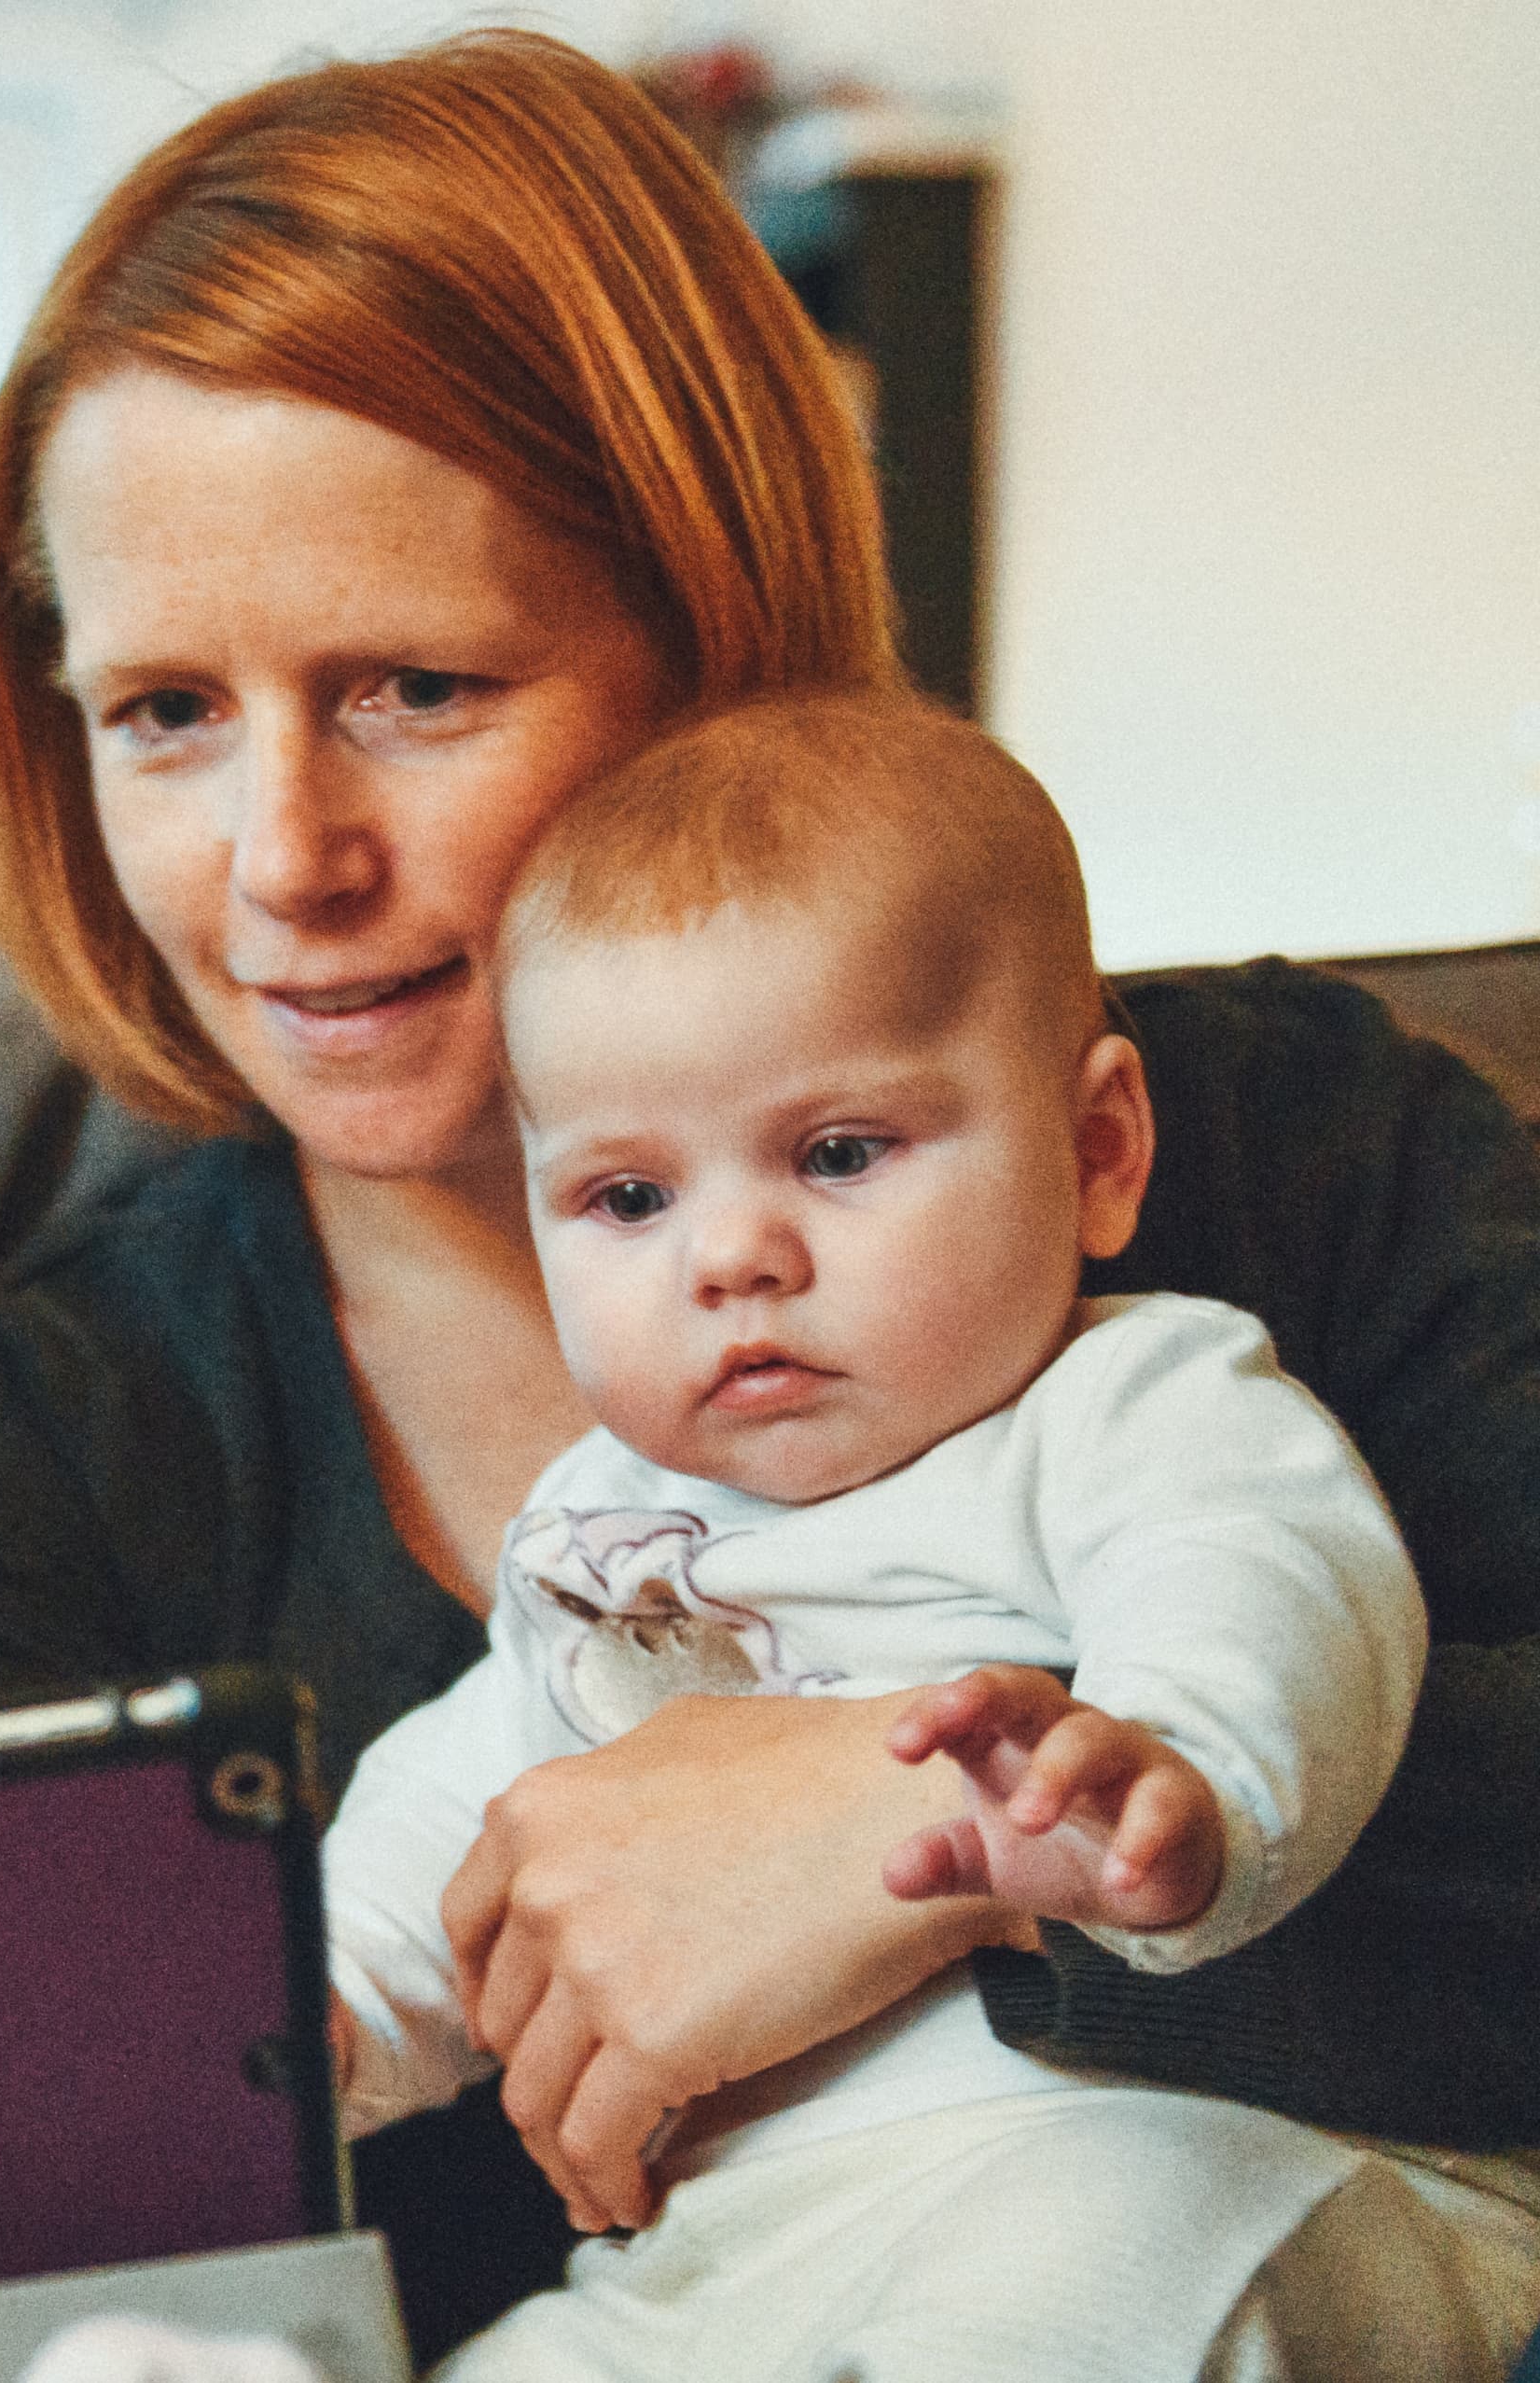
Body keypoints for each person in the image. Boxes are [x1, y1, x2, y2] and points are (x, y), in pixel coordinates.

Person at [0, 22, 1540, 2365]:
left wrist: (905, 1840)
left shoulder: (1282, 1153)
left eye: (414, 686)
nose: (283, 863)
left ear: (709, 630)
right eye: (164, 713)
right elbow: (39, 2194)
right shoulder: (40, 1461)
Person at [312, 689, 1533, 2376]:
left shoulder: (1132, 1400)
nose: (728, 1257)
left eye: (836, 1152)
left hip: (1187, 2150)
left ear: (1099, 1151)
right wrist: (318, 2014)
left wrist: (1170, 1780)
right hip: (748, 2238)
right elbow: (483, 1801)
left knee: (1075, 2297)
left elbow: (1266, 1581)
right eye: (628, 1197)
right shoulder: (605, 1519)